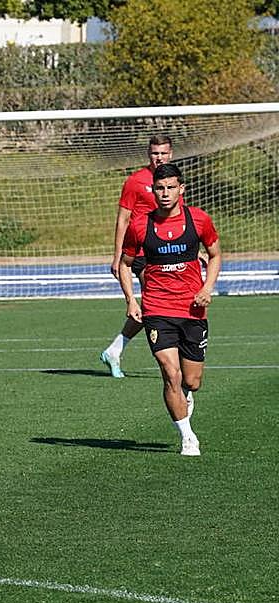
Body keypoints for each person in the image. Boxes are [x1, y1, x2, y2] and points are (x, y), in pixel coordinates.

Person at [117, 162, 220, 456]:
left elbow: (214, 255)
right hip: (157, 309)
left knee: (192, 381)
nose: (164, 193)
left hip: (192, 310)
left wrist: (206, 288)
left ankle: (186, 396)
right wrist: (131, 300)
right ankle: (187, 436)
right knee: (169, 373)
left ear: (181, 189)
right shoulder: (140, 225)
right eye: (159, 188)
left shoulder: (199, 220)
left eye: (170, 187)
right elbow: (125, 265)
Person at [101, 135, 174, 378]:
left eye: (163, 153)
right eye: (155, 153)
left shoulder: (172, 182)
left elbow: (176, 220)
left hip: (165, 252)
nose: (159, 158)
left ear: (170, 154)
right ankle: (167, 357)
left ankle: (114, 350)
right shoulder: (135, 181)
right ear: (148, 154)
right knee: (155, 301)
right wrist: (117, 255)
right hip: (141, 253)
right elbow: (123, 219)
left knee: (153, 305)